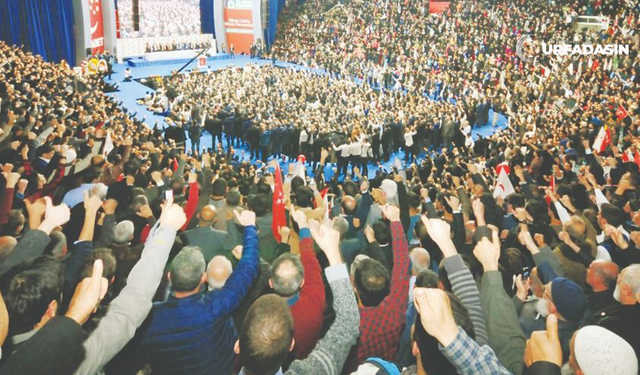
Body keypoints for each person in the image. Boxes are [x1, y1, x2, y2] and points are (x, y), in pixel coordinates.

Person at [140, 209, 260, 375]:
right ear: (203, 278)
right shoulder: (216, 306)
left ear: (170, 276)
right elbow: (249, 265)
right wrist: (249, 227)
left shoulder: (146, 317)